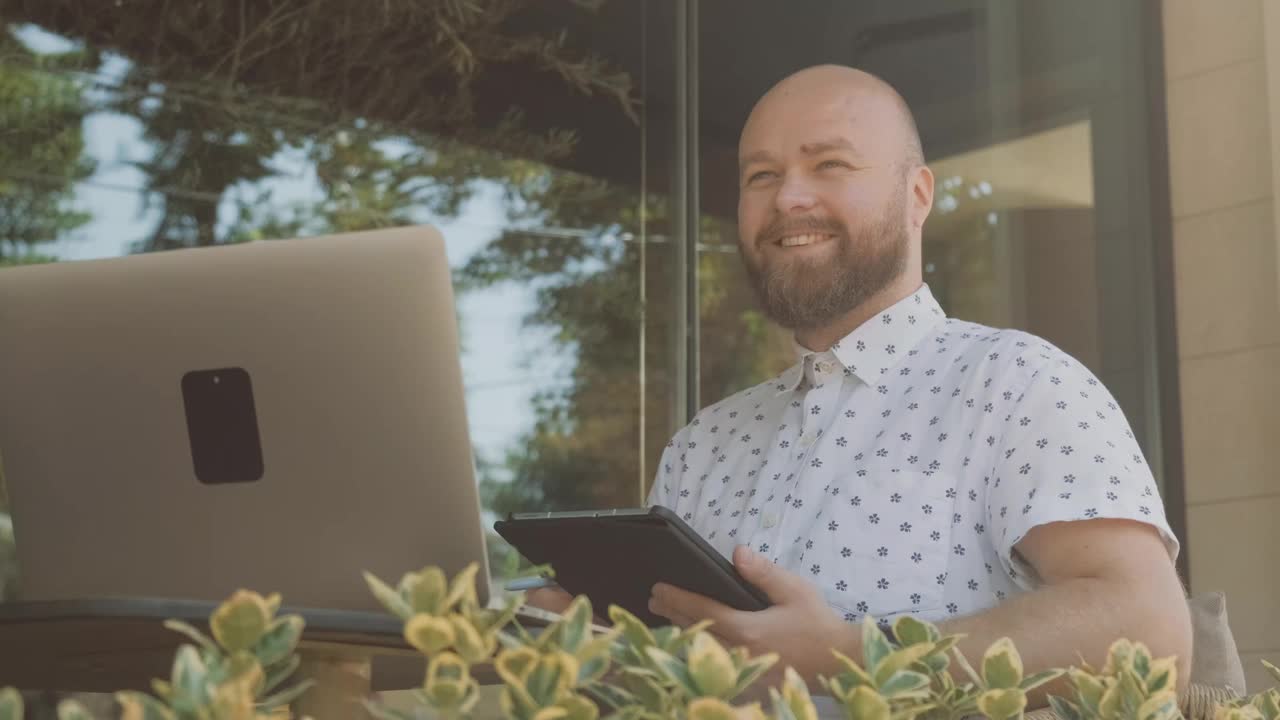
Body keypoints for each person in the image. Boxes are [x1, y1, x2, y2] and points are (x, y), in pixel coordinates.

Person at [528, 64, 1191, 703]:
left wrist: (844, 658)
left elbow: (1150, 635)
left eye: (830, 165)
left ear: (918, 196)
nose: (788, 197)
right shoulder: (702, 444)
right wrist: (580, 650)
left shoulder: (1016, 384)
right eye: (761, 175)